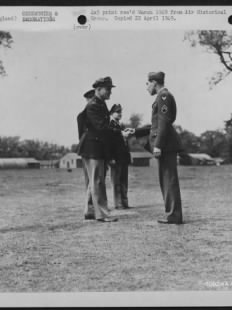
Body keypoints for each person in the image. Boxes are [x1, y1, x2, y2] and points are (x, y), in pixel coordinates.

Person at [129, 71, 183, 224]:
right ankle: (173, 214)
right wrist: (134, 131)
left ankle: (174, 216)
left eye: (147, 83)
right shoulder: (161, 97)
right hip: (165, 144)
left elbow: (164, 122)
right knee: (166, 180)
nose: (147, 87)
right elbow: (156, 125)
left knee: (169, 180)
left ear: (154, 82)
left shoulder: (163, 96)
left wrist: (158, 145)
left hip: (165, 145)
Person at [77, 77, 119, 222]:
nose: (110, 93)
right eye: (108, 89)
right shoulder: (94, 105)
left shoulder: (99, 104)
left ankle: (89, 211)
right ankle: (102, 214)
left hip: (94, 147)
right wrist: (116, 130)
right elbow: (101, 128)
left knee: (94, 180)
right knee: (97, 181)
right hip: (92, 147)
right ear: (98, 89)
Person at [108, 104, 131, 209]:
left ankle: (124, 202)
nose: (120, 114)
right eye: (118, 112)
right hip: (115, 157)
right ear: (112, 113)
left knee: (123, 181)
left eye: (121, 112)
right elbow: (110, 143)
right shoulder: (110, 125)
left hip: (123, 157)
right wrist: (110, 157)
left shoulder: (119, 125)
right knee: (116, 181)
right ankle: (118, 203)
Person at [77, 89, 95, 219]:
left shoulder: (82, 114)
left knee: (90, 179)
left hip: (86, 148)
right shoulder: (88, 113)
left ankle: (91, 207)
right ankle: (90, 208)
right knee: (92, 179)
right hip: (91, 148)